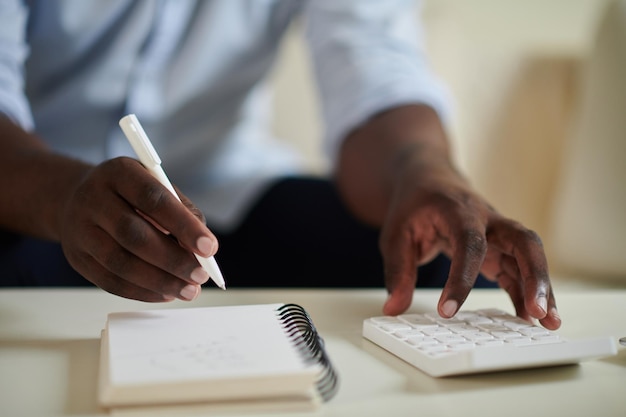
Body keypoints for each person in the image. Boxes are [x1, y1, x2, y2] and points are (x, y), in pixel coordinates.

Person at [0, 0, 560, 330]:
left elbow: (376, 64)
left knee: (426, 259)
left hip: (227, 187)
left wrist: (428, 171)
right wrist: (64, 196)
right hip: (38, 192)